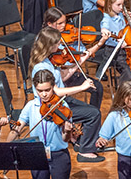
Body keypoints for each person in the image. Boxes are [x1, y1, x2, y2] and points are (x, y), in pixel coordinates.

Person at [29, 27, 106, 162]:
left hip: (60, 102)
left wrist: (79, 62)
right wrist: (82, 87)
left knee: (92, 110)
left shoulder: (50, 60)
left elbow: (62, 78)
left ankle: (80, 141)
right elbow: (57, 91)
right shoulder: (42, 67)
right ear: (49, 45)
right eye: (57, 43)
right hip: (50, 108)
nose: (61, 46)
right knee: (93, 114)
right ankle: (85, 152)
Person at [9, 70, 76, 179]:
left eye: (47, 90)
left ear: (53, 87)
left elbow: (65, 140)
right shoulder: (31, 106)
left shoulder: (63, 107)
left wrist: (67, 131)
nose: (44, 94)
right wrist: (7, 145)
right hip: (37, 155)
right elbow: (18, 127)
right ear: (35, 89)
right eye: (40, 91)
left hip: (59, 156)